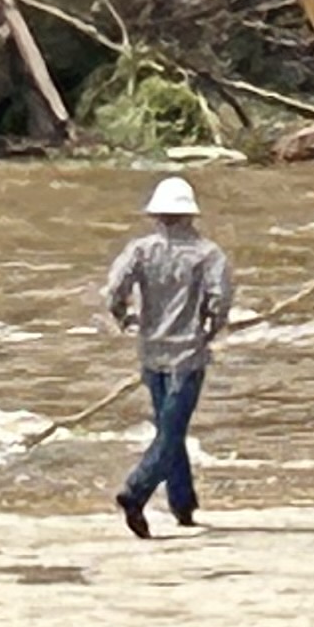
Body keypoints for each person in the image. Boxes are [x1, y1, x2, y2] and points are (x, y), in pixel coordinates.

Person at [103, 175, 234, 536]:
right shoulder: (209, 254)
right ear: (191, 215)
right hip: (187, 355)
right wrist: (210, 329)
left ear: (157, 215)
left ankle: (183, 504)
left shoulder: (141, 251)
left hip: (151, 352)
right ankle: (136, 490)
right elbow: (220, 300)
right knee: (172, 433)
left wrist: (124, 317)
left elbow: (115, 290)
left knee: (169, 428)